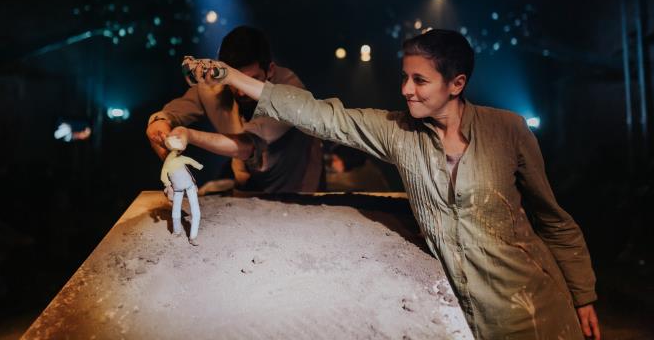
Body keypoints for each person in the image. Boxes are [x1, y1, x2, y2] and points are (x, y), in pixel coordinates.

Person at [181, 29, 600, 340]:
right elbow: (320, 115)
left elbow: (554, 220)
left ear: (457, 84)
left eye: (420, 81)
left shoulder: (507, 130)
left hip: (533, 310)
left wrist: (583, 296)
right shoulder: (398, 133)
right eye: (405, 77)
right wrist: (231, 76)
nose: (406, 90)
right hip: (466, 316)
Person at [146, 26, 322, 193]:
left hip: (298, 184)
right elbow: (175, 112)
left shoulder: (291, 91)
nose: (241, 91)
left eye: (252, 80)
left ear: (270, 70)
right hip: (248, 185)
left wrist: (189, 135)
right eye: (234, 81)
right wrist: (160, 123)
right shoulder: (215, 85)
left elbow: (247, 147)